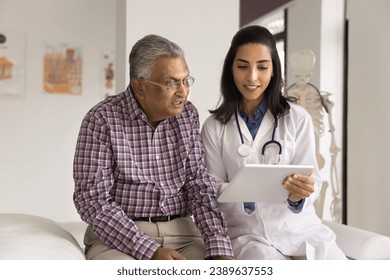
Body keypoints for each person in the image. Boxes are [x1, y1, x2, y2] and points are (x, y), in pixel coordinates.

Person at [73, 34, 234, 260]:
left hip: (183, 234)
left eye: (186, 80)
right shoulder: (101, 119)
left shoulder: (188, 115)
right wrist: (150, 251)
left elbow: (198, 184)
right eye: (171, 83)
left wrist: (219, 247)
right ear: (139, 86)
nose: (183, 91)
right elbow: (92, 200)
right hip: (120, 237)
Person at [201, 25, 346, 260]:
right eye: (242, 66)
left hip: (300, 230)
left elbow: (313, 180)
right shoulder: (214, 126)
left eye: (262, 66)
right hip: (247, 235)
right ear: (231, 70)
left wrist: (300, 193)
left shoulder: (297, 118)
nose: (252, 77)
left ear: (273, 69)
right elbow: (210, 189)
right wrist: (246, 190)